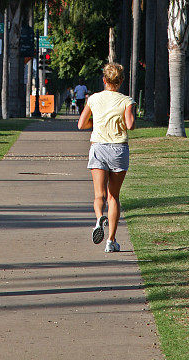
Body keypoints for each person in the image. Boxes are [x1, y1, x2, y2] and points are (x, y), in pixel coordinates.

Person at [77, 62, 136, 253]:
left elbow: (81, 124)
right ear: (120, 81)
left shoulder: (94, 99)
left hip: (98, 148)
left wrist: (96, 124)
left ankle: (97, 219)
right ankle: (111, 240)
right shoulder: (126, 100)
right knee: (114, 196)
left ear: (104, 80)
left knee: (99, 195)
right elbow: (130, 125)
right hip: (119, 150)